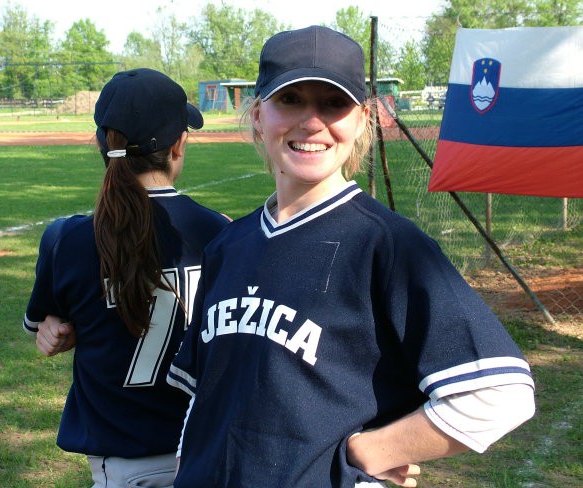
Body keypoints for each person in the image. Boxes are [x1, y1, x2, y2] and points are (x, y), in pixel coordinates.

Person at [166, 26, 535, 488]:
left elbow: (500, 391)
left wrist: (375, 450)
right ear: (259, 115)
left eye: (333, 104)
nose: (312, 122)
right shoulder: (227, 246)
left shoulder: (389, 246)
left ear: (363, 118)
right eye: (291, 100)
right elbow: (205, 400)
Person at [22, 68, 230, 488]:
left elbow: (43, 327)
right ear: (178, 145)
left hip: (126, 469)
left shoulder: (67, 239)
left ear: (102, 143)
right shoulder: (222, 233)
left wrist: (57, 330)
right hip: (210, 457)